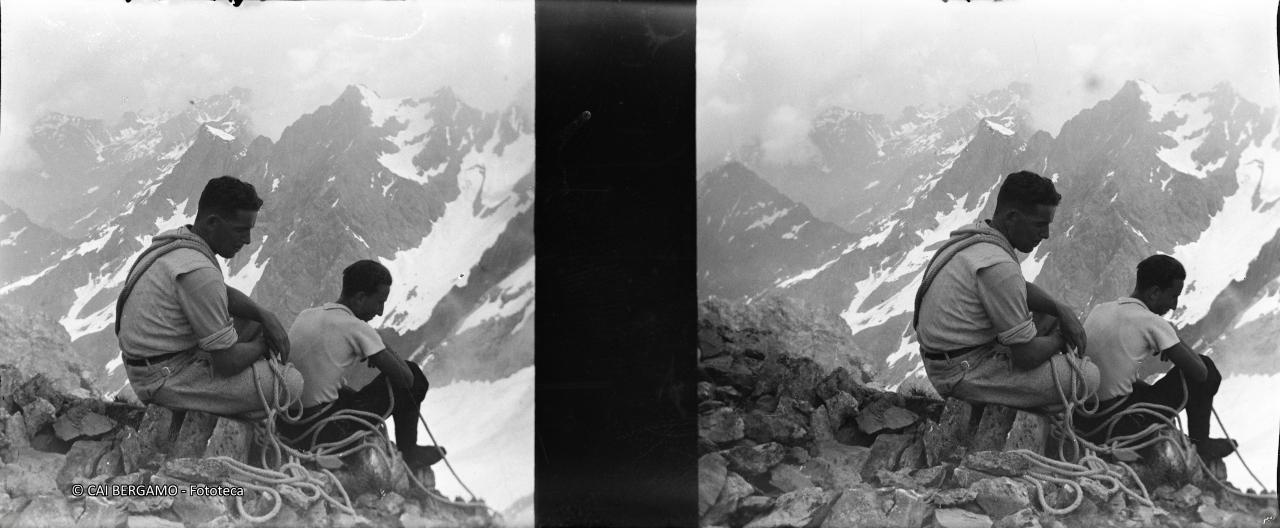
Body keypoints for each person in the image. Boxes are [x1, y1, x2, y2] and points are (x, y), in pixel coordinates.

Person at [116, 175, 303, 419]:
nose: (246, 240)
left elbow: (221, 293)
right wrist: (263, 344)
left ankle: (232, 399)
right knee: (291, 384)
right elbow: (226, 363)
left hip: (150, 365)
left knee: (255, 324)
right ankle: (218, 413)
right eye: (240, 230)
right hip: (164, 380)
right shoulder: (200, 273)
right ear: (213, 222)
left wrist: (262, 315)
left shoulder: (181, 241)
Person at [914, 170, 1099, 411]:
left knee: (1052, 317)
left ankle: (1034, 389)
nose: (1045, 234)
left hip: (946, 359)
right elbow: (1026, 356)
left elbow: (1018, 288)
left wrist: (1059, 309)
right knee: (1088, 377)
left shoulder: (980, 235)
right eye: (1040, 225)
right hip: (961, 374)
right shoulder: (999, 266)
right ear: (1012, 217)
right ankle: (1027, 405)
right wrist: (1061, 338)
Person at [279, 259, 445, 470]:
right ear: (359, 298)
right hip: (322, 431)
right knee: (413, 373)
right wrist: (377, 342)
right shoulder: (357, 327)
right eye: (379, 302)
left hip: (288, 422)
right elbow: (406, 380)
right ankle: (409, 452)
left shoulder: (307, 314)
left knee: (344, 390)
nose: (380, 311)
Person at [1072, 255, 1235, 460]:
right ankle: (1202, 446)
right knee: (1208, 367)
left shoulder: (1100, 309)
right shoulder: (1151, 322)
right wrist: (1172, 334)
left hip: (1083, 416)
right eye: (1173, 296)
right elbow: (1201, 373)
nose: (1174, 305)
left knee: (1140, 387)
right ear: (1154, 293)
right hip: (1118, 425)